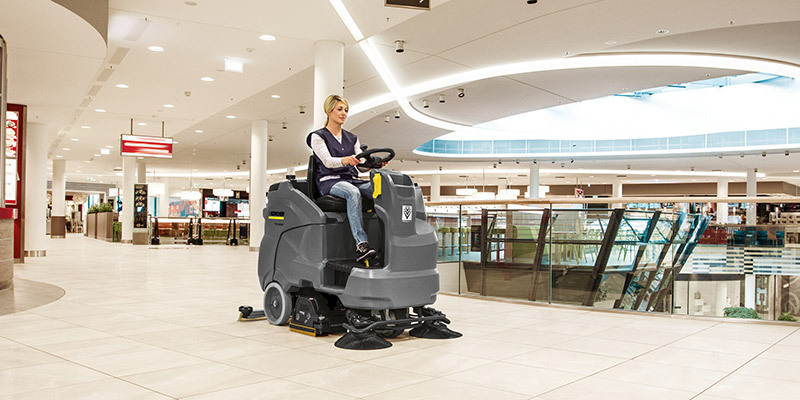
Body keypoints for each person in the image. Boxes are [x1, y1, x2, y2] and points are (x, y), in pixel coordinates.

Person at [306, 94, 384, 262]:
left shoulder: (352, 138)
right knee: (352, 192)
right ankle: (361, 245)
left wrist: (374, 164)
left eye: (346, 110)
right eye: (340, 109)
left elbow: (359, 166)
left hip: (351, 179)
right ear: (329, 111)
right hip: (329, 180)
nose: (344, 113)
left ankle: (386, 240)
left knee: (380, 190)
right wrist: (346, 160)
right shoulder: (318, 136)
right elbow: (327, 161)